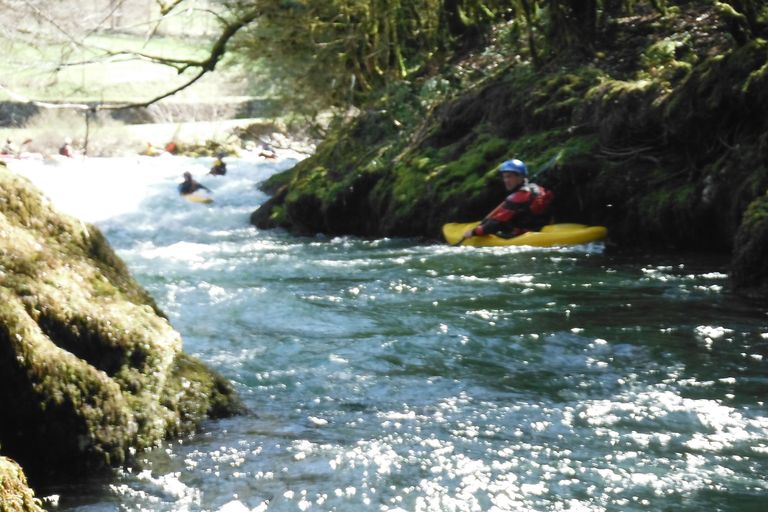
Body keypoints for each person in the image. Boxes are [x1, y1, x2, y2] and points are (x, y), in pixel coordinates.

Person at [462, 158, 554, 241]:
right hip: (543, 230)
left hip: (523, 236)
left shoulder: (517, 197)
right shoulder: (539, 189)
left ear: (520, 177)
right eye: (504, 177)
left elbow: (496, 224)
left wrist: (474, 232)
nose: (506, 180)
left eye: (509, 176)